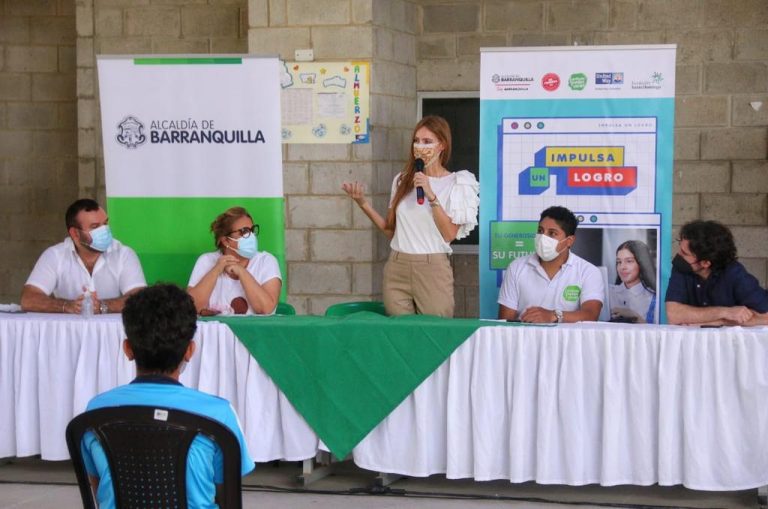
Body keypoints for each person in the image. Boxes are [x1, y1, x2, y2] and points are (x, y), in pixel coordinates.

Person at [80, 284, 254, 509]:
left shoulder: (96, 410)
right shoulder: (219, 414)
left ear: (128, 349)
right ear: (190, 351)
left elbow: (98, 490)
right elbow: (229, 497)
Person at [341, 115, 479, 317]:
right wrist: (362, 203)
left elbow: (449, 234)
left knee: (434, 331)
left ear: (442, 145)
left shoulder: (457, 183)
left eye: (427, 141)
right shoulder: (402, 180)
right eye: (416, 140)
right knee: (399, 334)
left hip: (432, 266)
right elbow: (390, 230)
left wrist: (431, 194)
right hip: (397, 264)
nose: (419, 146)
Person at [20, 198, 146, 314]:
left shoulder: (124, 254)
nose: (104, 230)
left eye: (105, 223)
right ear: (75, 233)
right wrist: (67, 306)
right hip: (67, 334)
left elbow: (140, 299)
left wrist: (103, 306)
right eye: (95, 227)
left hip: (112, 335)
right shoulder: (55, 255)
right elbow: (28, 299)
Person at [498, 206, 604, 323]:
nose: (543, 238)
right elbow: (505, 322)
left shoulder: (588, 271)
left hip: (568, 341)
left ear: (569, 241)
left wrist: (553, 316)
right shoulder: (516, 267)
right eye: (540, 231)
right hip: (526, 339)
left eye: (552, 233)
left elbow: (590, 315)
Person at [665, 220, 768, 326]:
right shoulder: (682, 268)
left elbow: (765, 316)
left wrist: (704, 320)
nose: (678, 254)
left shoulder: (735, 274)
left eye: (684, 253)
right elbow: (673, 314)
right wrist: (725, 313)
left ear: (705, 263)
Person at [187, 206, 281, 315]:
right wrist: (216, 270)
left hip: (255, 331)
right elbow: (190, 308)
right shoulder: (206, 261)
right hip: (218, 331)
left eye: (252, 230)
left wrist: (242, 272)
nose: (251, 236)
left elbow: (266, 309)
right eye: (244, 231)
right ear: (226, 240)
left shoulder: (266, 261)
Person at [610, 240, 657, 323]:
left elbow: (658, 334)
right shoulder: (608, 293)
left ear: (642, 263)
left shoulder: (654, 299)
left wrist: (635, 316)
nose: (622, 267)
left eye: (629, 261)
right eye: (619, 262)